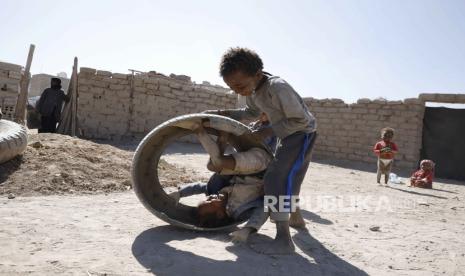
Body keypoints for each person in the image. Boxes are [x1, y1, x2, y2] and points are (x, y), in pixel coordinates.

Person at [206, 47, 317, 254]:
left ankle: (284, 240)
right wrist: (222, 113)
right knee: (287, 178)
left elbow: (300, 120)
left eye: (240, 85)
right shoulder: (253, 90)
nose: (238, 91)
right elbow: (250, 112)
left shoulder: (278, 87)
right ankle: (295, 218)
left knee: (276, 178)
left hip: (302, 134)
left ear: (257, 74)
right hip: (286, 134)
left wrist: (268, 131)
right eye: (233, 88)